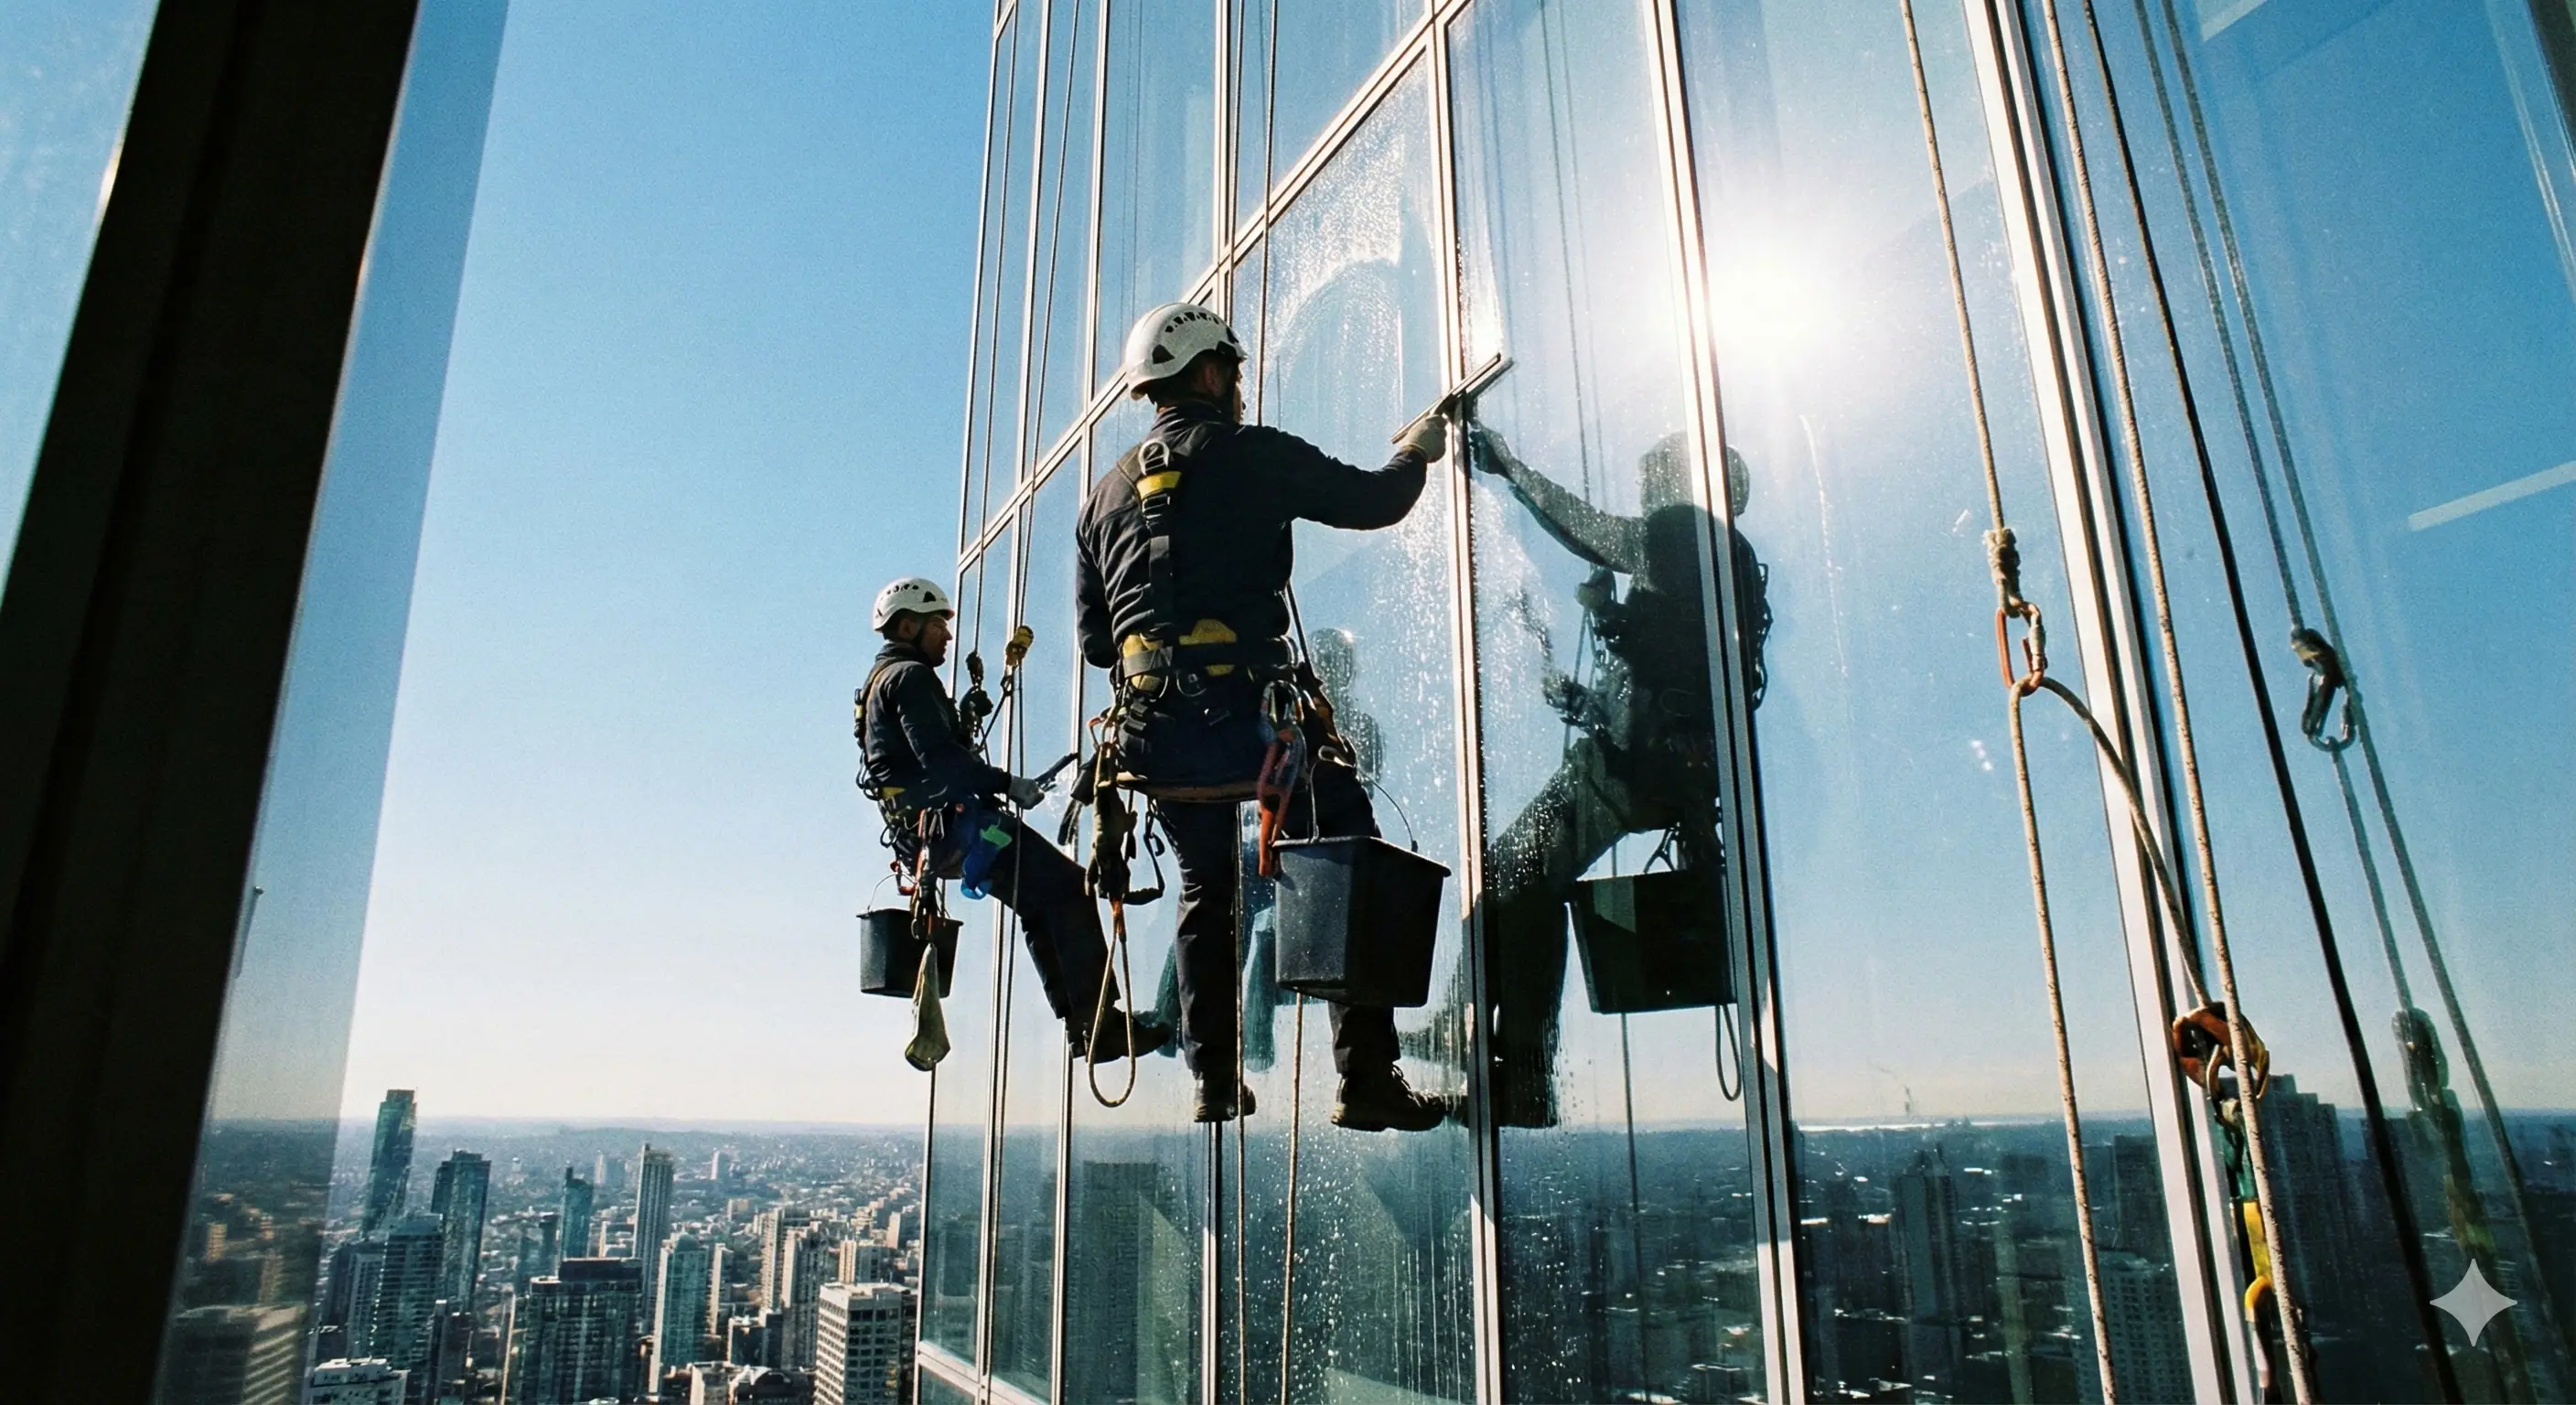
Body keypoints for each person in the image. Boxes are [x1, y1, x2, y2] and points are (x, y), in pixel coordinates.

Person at [1073, 301, 1449, 1131]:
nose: (1240, 390)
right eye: (1235, 375)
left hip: (1156, 739)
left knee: (1208, 889)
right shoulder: (1255, 454)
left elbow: (1099, 644)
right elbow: (1376, 500)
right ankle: (1366, 1077)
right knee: (1343, 848)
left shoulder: (1101, 497)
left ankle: (1212, 1077)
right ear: (1211, 374)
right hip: (1250, 724)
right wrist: (1418, 451)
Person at [1468, 429, 1771, 1128]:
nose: (1644, 494)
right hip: (1660, 766)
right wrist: (1599, 649)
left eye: (1653, 480)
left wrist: (1511, 467)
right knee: (1522, 878)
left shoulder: (1681, 533)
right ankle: (1510, 1064)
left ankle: (1521, 1073)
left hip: (1631, 766)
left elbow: (1585, 527)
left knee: (1515, 877)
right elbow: (1666, 668)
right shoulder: (1720, 560)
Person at [858, 575, 1165, 1062]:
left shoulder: (881, 681)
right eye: (938, 625)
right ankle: (1099, 1025)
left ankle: (1085, 1026)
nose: (947, 635)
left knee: (1041, 902)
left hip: (931, 833)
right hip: (955, 826)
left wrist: (961, 726)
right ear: (909, 626)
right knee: (1069, 889)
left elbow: (918, 758)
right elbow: (939, 760)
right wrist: (1007, 783)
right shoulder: (910, 678)